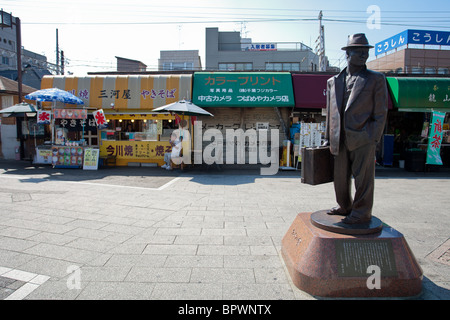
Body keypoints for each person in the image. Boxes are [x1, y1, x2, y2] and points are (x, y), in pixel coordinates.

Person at [324, 33, 388, 224]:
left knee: (363, 180)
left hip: (363, 138)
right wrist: (328, 136)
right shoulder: (333, 81)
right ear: (348, 54)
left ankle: (361, 213)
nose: (363, 55)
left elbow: (381, 112)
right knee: (340, 178)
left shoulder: (375, 79)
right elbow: (330, 112)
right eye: (358, 52)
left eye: (365, 52)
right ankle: (344, 206)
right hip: (339, 138)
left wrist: (372, 137)